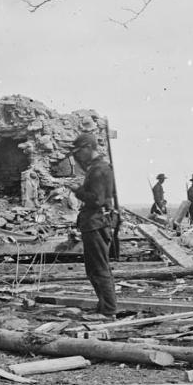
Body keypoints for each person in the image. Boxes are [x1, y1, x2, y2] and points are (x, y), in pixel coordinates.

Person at [69, 132, 117, 318]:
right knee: (94, 269)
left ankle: (108, 311)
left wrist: (77, 191)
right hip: (96, 224)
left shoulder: (98, 169)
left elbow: (95, 200)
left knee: (99, 268)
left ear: (89, 148)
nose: (78, 156)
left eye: (80, 151)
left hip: (96, 224)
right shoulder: (99, 167)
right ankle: (103, 306)